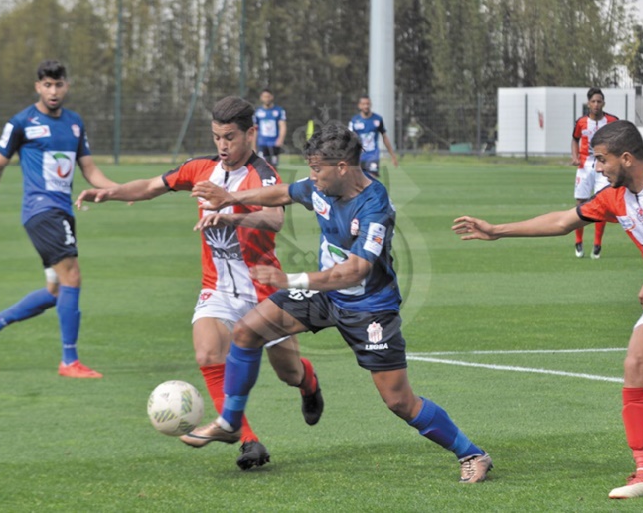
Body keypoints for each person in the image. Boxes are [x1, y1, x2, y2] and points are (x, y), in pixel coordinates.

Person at [185, 123, 493, 484]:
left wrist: (291, 281)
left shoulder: (375, 205)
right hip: (323, 295)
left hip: (369, 308)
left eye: (317, 169)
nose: (312, 176)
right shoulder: (320, 188)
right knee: (248, 330)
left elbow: (356, 272)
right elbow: (284, 192)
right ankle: (230, 422)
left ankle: (472, 453)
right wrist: (230, 198)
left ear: (342, 167)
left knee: (398, 401)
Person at [453, 120, 643, 499]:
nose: (598, 167)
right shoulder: (613, 196)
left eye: (602, 159)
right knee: (636, 362)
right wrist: (497, 231)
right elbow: (562, 221)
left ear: (626, 158)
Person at [75, 96, 323, 471]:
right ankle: (248, 441)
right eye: (216, 137)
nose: (222, 145)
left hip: (262, 290)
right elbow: (151, 185)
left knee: (288, 372)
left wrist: (229, 217)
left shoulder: (263, 174)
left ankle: (309, 384)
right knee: (207, 353)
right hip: (218, 287)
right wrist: (111, 192)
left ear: (250, 134)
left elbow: (273, 220)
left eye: (230, 137)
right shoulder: (201, 168)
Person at [0, 60, 121, 379]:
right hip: (41, 210)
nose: (53, 90)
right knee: (72, 276)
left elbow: (88, 169)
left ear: (67, 86)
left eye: (58, 84)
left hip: (63, 211)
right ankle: (69, 361)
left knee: (56, 291)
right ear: (38, 87)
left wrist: (120, 190)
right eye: (47, 84)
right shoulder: (22, 122)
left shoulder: (75, 123)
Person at [570, 87, 618, 258]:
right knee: (581, 202)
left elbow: (619, 139)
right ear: (588, 103)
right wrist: (575, 156)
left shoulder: (612, 120)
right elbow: (575, 139)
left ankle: (597, 244)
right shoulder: (581, 122)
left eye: (599, 101)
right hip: (584, 166)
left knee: (601, 203)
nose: (596, 104)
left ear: (603, 103)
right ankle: (578, 241)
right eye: (593, 101)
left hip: (603, 165)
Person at [349, 96, 398, 176]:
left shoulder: (378, 119)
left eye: (368, 104)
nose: (366, 106)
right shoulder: (354, 120)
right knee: (358, 183)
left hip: (373, 155)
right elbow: (349, 139)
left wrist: (392, 155)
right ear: (359, 105)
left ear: (371, 104)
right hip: (358, 156)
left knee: (371, 179)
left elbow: (384, 137)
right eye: (363, 104)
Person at [254, 89, 286, 168]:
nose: (266, 99)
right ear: (261, 98)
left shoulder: (279, 111)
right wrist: (253, 145)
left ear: (272, 97)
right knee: (262, 166)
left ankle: (274, 180)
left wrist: (280, 139)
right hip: (262, 143)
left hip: (274, 143)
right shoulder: (258, 112)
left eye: (268, 96)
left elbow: (283, 126)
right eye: (264, 97)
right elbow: (254, 129)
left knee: (273, 166)